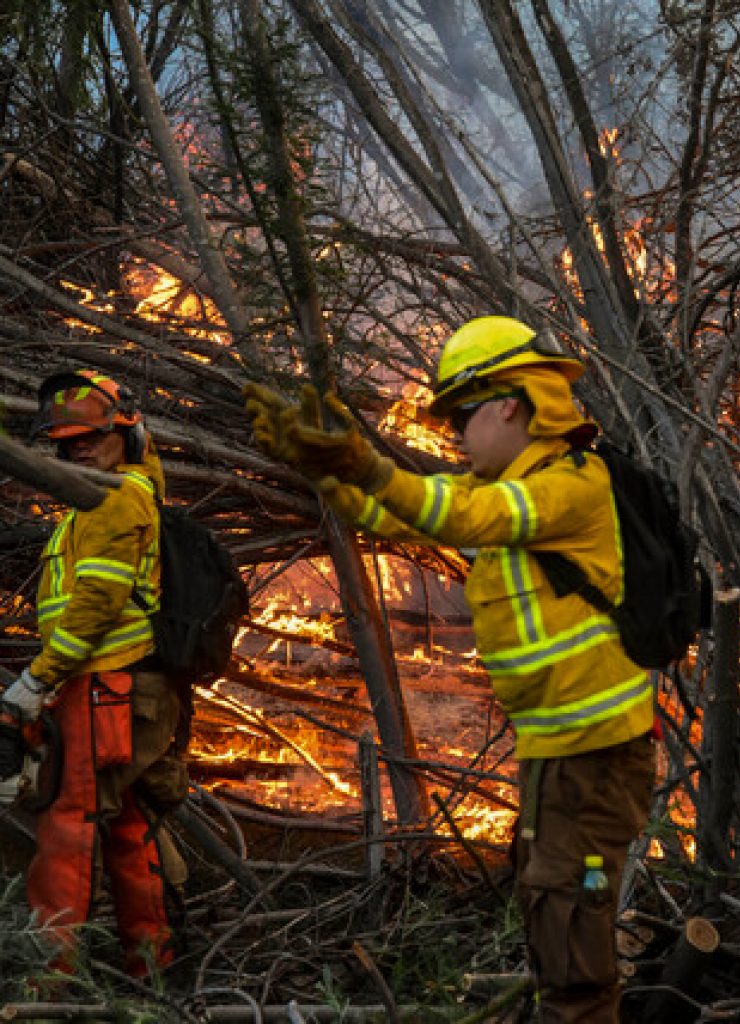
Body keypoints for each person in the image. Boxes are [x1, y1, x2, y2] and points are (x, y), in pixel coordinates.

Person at [244, 316, 655, 1022]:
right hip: (559, 747)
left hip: (595, 754)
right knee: (550, 906)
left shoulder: (571, 487)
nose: (456, 435)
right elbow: (416, 519)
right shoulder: (516, 487)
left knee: (573, 930)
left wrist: (368, 465)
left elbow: (465, 517)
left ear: (510, 405)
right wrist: (331, 479)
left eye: (462, 415)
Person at [2, 369, 188, 979]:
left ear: (127, 435)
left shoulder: (112, 499)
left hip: (102, 688)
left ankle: (42, 984)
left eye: (91, 436)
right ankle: (151, 971)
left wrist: (38, 678)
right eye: (66, 442)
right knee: (130, 829)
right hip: (123, 691)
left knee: (64, 829)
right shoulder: (115, 498)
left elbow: (97, 602)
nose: (77, 448)